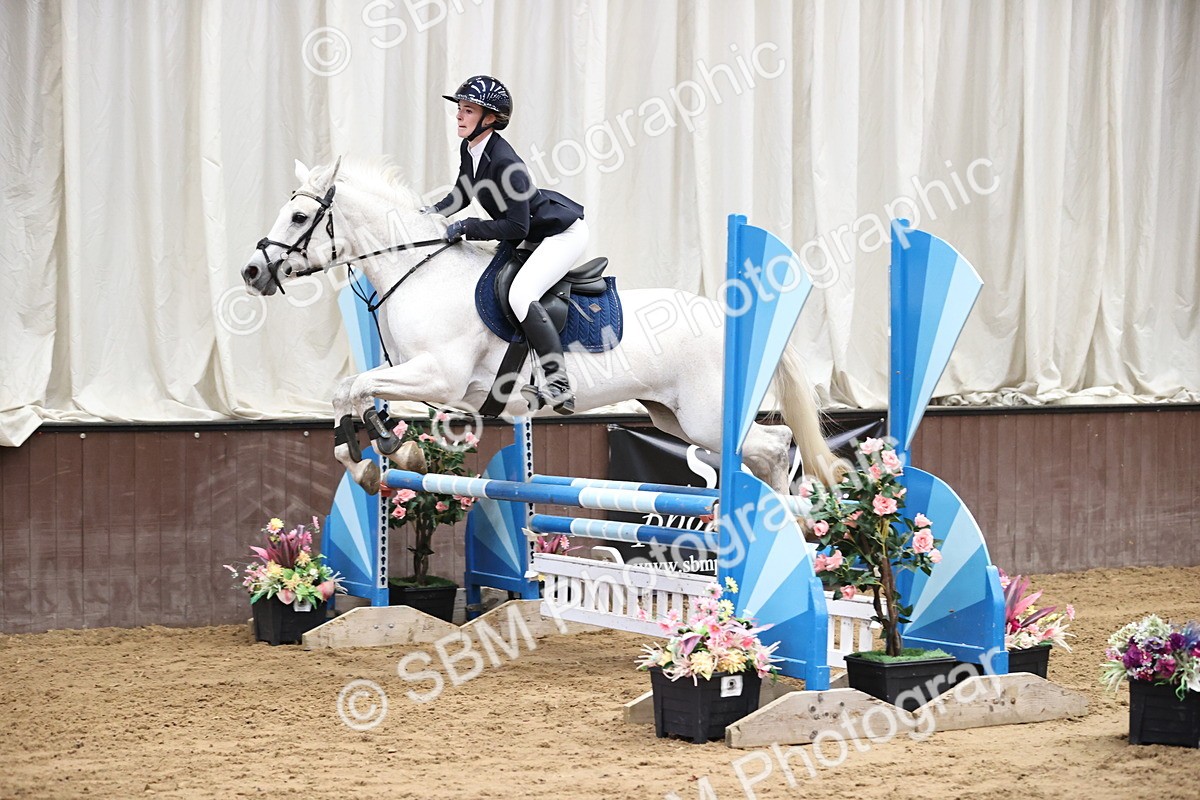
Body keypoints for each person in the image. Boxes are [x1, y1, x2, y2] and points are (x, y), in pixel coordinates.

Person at [425, 75, 586, 414]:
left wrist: (468, 226)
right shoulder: (471, 147)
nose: (458, 116)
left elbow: (516, 226)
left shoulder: (507, 164)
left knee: (521, 294)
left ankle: (558, 384)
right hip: (532, 232)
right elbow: (461, 193)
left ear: (490, 118)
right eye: (460, 109)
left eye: (467, 110)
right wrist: (427, 215)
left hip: (559, 234)